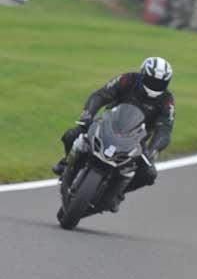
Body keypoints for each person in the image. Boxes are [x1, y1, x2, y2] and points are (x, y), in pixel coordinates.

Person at [52, 57, 175, 211]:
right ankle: (67, 163)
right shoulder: (127, 79)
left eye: (160, 84)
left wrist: (153, 149)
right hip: (107, 123)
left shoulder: (167, 101)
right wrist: (87, 114)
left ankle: (118, 193)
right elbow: (100, 95)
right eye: (152, 81)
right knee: (72, 134)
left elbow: (165, 128)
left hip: (136, 138)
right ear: (142, 75)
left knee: (148, 174)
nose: (155, 86)